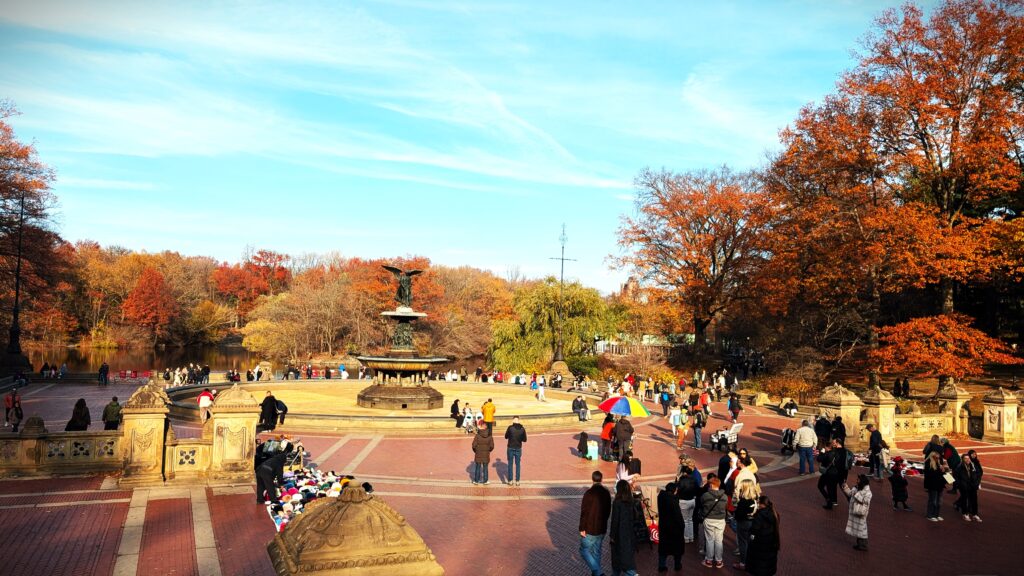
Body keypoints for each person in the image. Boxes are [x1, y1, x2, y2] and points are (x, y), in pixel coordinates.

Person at [579, 470, 612, 576]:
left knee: (583, 550)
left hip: (589, 528)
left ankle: (597, 572)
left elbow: (584, 512)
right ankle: (596, 573)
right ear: (601, 479)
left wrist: (581, 528)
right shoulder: (606, 493)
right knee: (597, 551)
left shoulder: (588, 493)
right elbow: (608, 510)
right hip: (601, 528)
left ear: (592, 479)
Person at [745, 495, 780, 576]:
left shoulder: (759, 515)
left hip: (759, 547)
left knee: (759, 568)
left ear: (761, 504)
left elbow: (754, 530)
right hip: (771, 545)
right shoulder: (774, 514)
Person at [609, 479, 638, 576]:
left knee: (618, 562)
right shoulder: (631, 501)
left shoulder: (617, 502)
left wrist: (612, 535)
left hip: (619, 535)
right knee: (627, 558)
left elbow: (615, 520)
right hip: (629, 534)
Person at [700, 476, 728, 569]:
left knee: (709, 540)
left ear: (711, 485)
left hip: (709, 519)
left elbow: (702, 504)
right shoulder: (724, 496)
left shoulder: (705, 495)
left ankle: (709, 560)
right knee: (719, 540)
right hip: (720, 520)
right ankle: (719, 560)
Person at [657, 481, 685, 572]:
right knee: (677, 548)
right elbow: (678, 516)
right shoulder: (673, 501)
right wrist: (682, 525)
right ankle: (677, 565)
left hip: (664, 527)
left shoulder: (661, 497)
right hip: (674, 529)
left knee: (663, 548)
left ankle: (662, 566)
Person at [732, 479, 760, 570]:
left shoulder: (744, 501)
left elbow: (739, 514)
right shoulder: (756, 498)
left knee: (743, 543)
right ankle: (751, 561)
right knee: (750, 542)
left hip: (743, 523)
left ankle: (743, 563)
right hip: (752, 522)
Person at [842, 474, 873, 551]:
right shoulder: (856, 488)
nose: (857, 481)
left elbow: (866, 501)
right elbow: (850, 494)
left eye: (858, 479)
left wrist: (856, 495)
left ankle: (863, 545)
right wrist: (845, 487)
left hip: (860, 512)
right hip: (855, 512)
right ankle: (860, 544)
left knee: (862, 529)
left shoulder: (867, 492)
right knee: (858, 529)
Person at [675, 456, 701, 544]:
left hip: (685, 501)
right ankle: (691, 537)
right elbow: (697, 488)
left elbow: (678, 489)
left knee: (686, 520)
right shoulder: (693, 478)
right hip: (692, 500)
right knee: (690, 520)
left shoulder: (684, 479)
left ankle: (686, 538)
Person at [817, 439, 846, 509]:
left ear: (827, 447)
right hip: (835, 473)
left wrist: (822, 452)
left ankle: (829, 502)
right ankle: (832, 501)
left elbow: (819, 459)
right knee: (831, 488)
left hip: (828, 473)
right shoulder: (836, 452)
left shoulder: (827, 454)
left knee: (820, 486)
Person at [957, 450, 983, 522]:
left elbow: (978, 475)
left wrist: (976, 483)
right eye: (965, 458)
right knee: (965, 501)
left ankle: (975, 514)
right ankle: (965, 514)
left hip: (973, 487)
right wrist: (960, 485)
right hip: (964, 487)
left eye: (968, 458)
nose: (967, 460)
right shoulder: (959, 467)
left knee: (974, 501)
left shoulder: (973, 466)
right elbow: (956, 477)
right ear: (962, 459)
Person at [923, 450, 949, 521]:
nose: (938, 459)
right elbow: (932, 475)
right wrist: (941, 470)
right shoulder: (929, 464)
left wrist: (944, 470)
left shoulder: (938, 463)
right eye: (936, 457)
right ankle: (930, 515)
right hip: (933, 485)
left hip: (939, 485)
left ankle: (936, 515)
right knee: (933, 501)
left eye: (938, 458)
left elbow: (942, 474)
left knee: (939, 501)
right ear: (932, 457)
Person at [504, 416, 527, 486]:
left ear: (513, 420)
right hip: (518, 448)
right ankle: (517, 481)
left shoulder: (510, 428)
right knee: (518, 465)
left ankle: (510, 480)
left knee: (510, 464)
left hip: (510, 447)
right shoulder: (522, 429)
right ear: (518, 420)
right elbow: (525, 440)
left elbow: (506, 436)